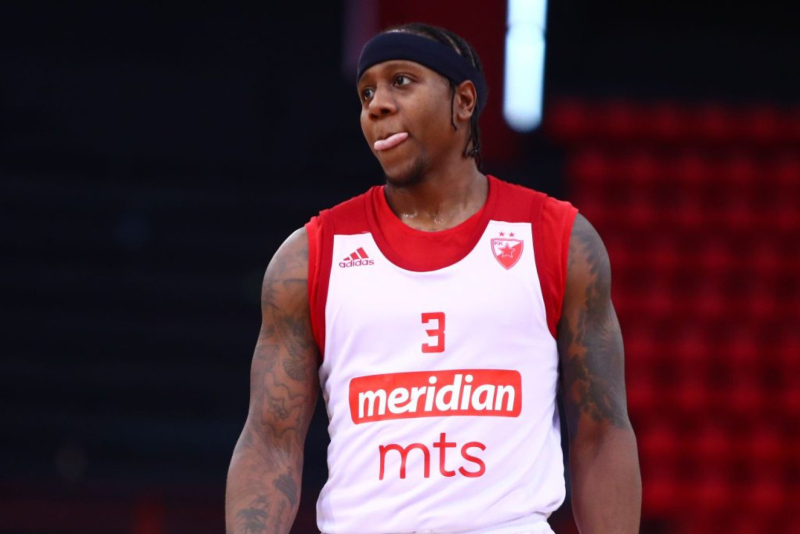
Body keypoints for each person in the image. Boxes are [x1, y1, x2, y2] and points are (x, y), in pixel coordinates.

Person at [225, 22, 641, 534]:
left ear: (463, 102)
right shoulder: (309, 256)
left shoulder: (558, 238)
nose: (377, 105)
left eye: (401, 81)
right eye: (366, 93)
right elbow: (270, 441)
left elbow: (602, 432)